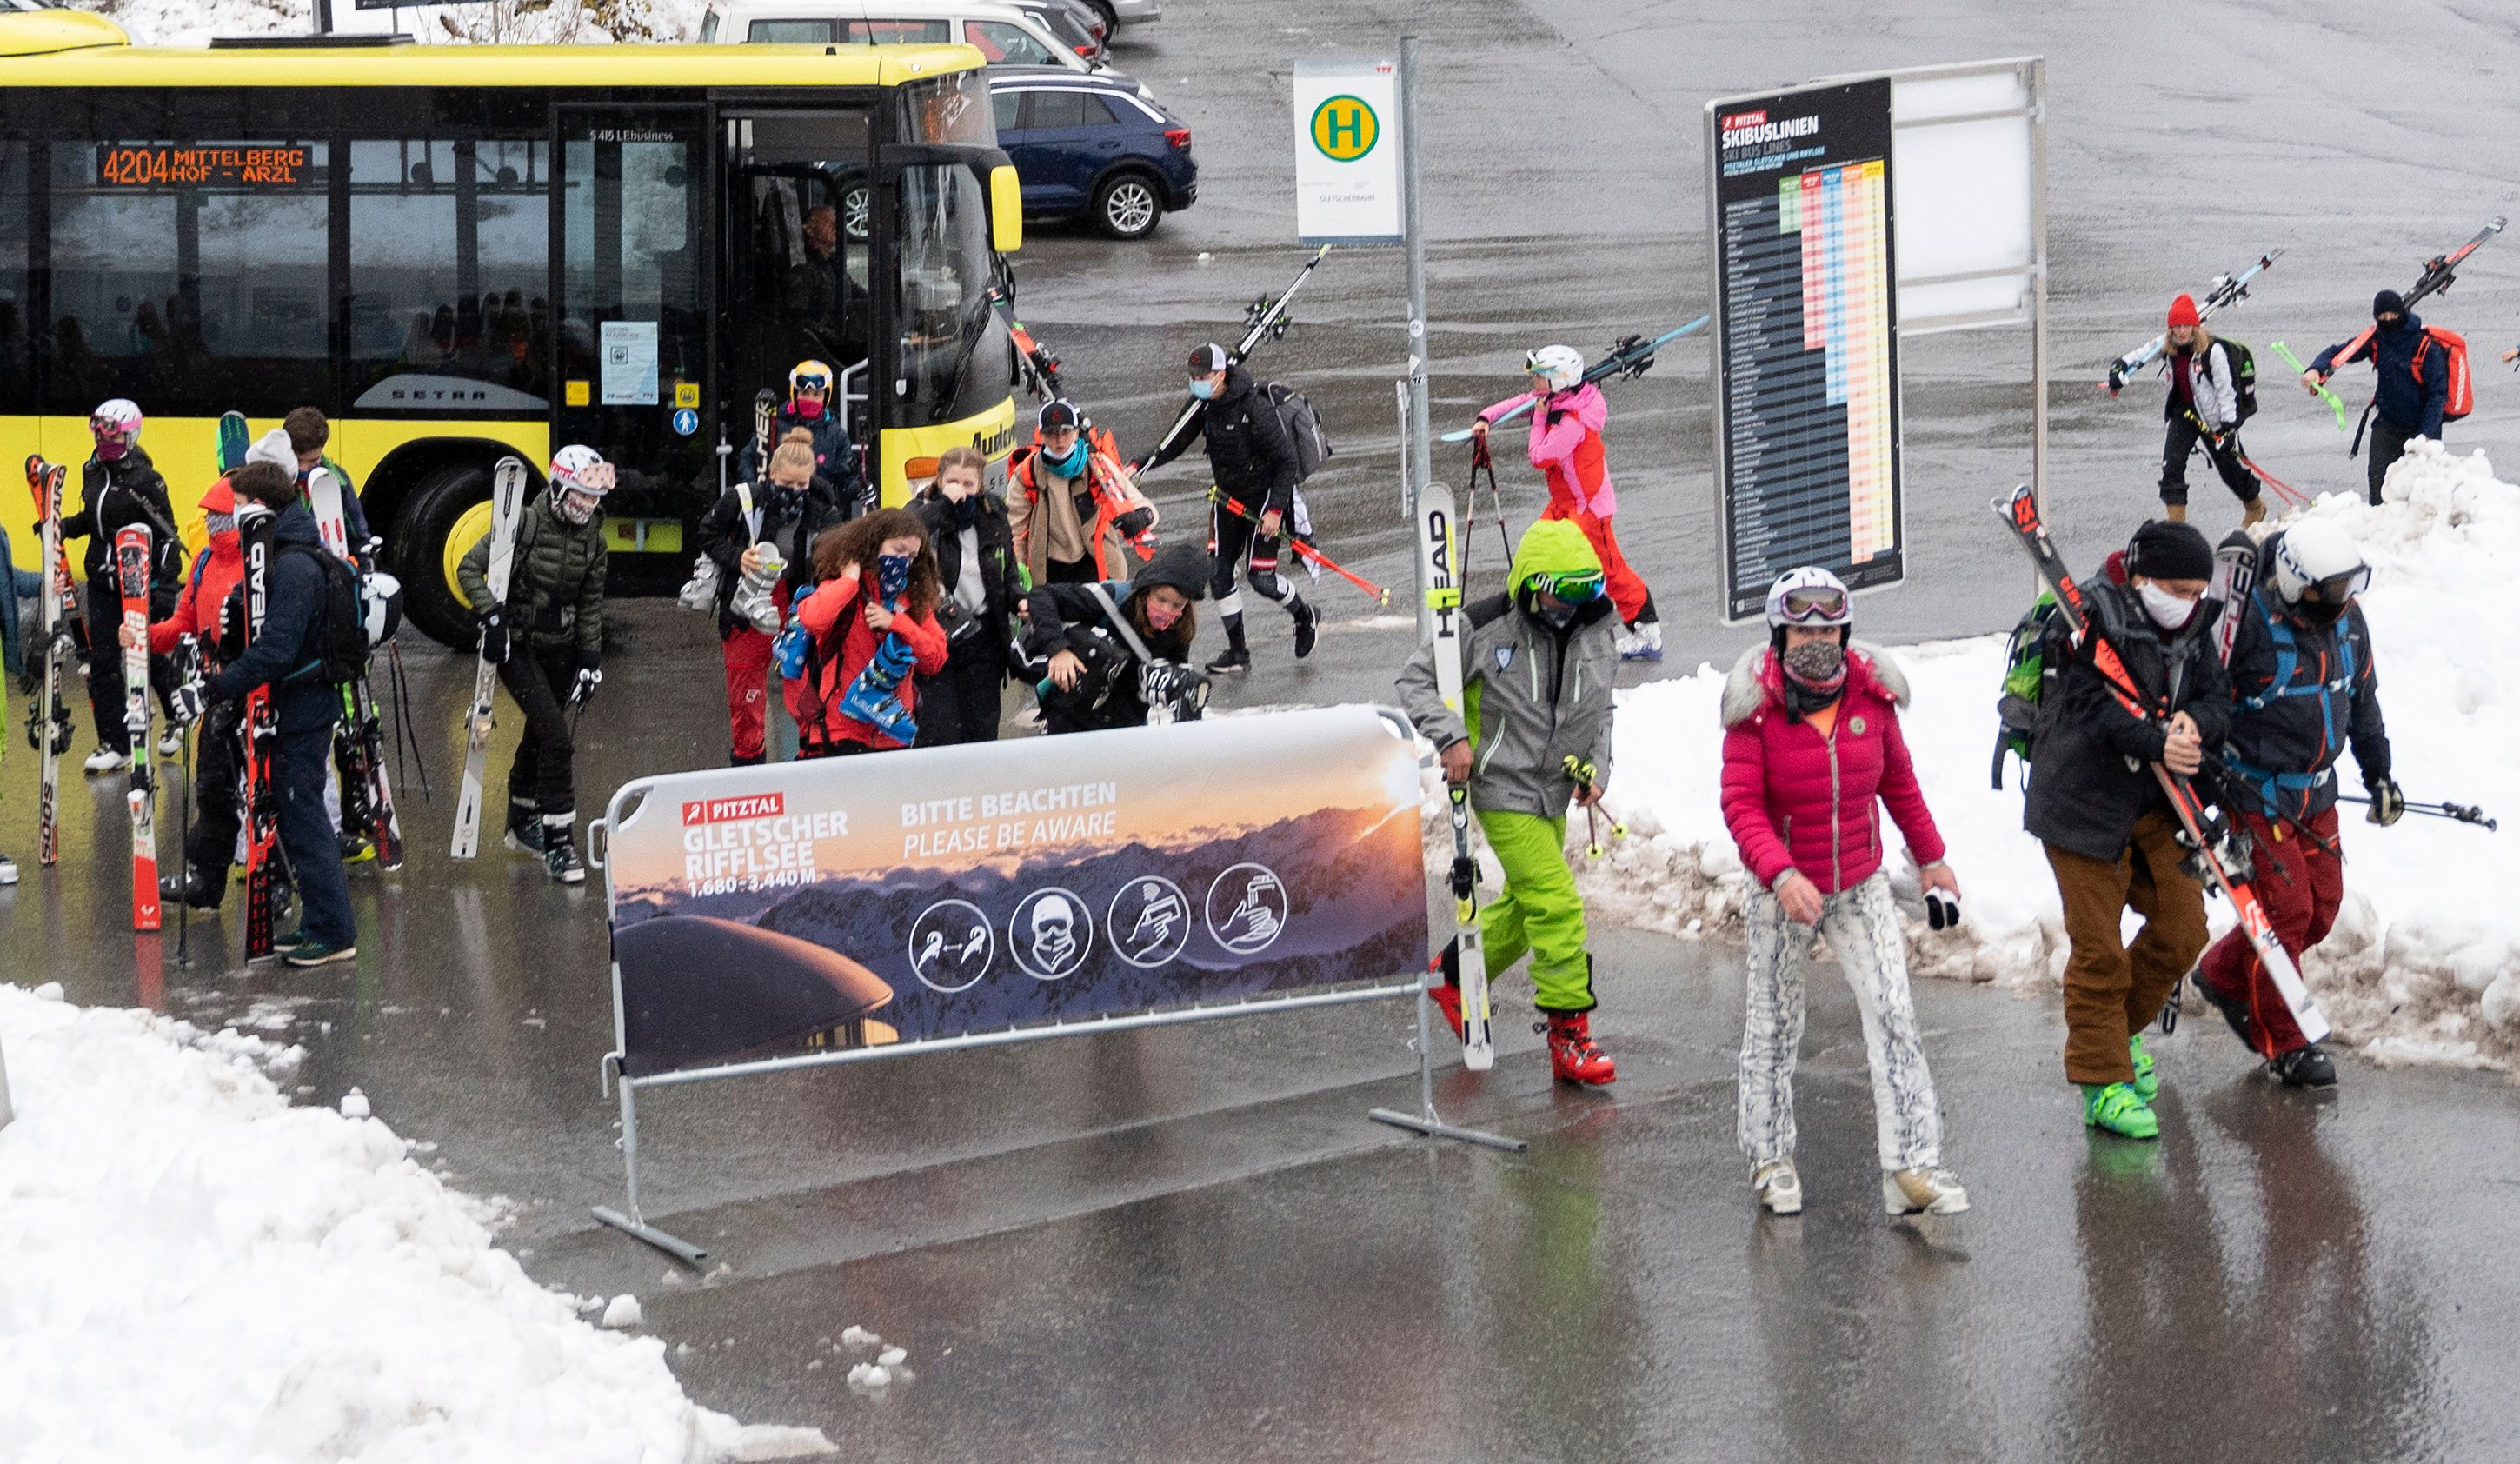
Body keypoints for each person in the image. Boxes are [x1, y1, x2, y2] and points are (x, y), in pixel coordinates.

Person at [1720, 567, 1967, 1217]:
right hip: (1783, 891)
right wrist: (1779, 873)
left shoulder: (1870, 697)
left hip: (1858, 882)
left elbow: (1900, 787)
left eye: (1826, 626)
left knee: (1893, 1012)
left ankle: (1912, 1167)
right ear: (1779, 634)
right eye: (1801, 627)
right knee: (1773, 1024)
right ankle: (1769, 1157)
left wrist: (1932, 859)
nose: (1815, 639)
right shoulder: (1755, 709)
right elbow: (1740, 805)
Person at [2025, 519, 2231, 1140]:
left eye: (2198, 591)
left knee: (2181, 930)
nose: (2188, 603)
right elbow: (2087, 709)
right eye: (2176, 588)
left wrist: (2194, 722)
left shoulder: (2194, 627)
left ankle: (2115, 1037)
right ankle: (2101, 1083)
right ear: (2141, 577)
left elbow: (2217, 697)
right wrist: (2157, 741)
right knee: (2099, 952)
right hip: (2079, 806)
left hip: (2155, 805)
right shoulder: (2085, 621)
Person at [1396, 519, 1619, 1086]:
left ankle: (1449, 976)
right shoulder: (1482, 625)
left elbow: (1601, 707)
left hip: (1552, 787)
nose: (1568, 607)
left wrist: (1595, 767)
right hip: (1499, 784)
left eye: (1581, 594)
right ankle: (1569, 1034)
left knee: (1527, 909)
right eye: (1557, 593)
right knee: (1559, 906)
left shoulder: (1597, 631)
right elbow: (1415, 680)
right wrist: (1451, 737)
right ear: (1530, 584)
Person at [2191, 519, 2394, 1088]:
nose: (2339, 602)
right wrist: (2205, 800)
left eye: (2346, 588)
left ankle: (2220, 974)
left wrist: (2379, 773)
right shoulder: (2247, 624)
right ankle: (2282, 1042)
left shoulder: (2348, 624)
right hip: (2254, 793)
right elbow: (2206, 710)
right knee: (2283, 914)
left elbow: (2362, 701)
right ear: (2293, 581)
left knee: (2322, 908)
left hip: (2315, 795)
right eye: (2327, 591)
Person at [183, 461, 356, 967]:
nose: (229, 516)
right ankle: (318, 923)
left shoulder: (296, 566)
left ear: (258, 509)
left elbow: (278, 651)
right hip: (293, 704)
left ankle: (334, 932)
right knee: (294, 814)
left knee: (305, 819)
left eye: (236, 506)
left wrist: (217, 687)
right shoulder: (281, 556)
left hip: (304, 708)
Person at [459, 445, 611, 884]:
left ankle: (520, 816)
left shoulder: (595, 540)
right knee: (556, 738)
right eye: (580, 495)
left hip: (561, 647)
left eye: (594, 498)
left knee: (541, 732)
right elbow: (470, 569)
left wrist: (589, 660)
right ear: (559, 488)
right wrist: (492, 614)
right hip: (517, 646)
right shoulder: (522, 523)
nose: (587, 506)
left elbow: (591, 604)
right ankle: (559, 841)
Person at [1133, 343, 1318, 675]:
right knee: (1218, 576)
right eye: (1193, 377)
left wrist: (1275, 510)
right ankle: (1238, 652)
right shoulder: (1200, 406)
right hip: (1227, 498)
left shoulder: (1254, 408)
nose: (1197, 382)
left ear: (1221, 375)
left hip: (1263, 501)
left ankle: (1306, 616)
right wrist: (1139, 464)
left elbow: (1286, 461)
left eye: (1203, 376)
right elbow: (1173, 443)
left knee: (1261, 579)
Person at [1473, 346, 1662, 662]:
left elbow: (1540, 456)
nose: (1534, 381)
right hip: (1563, 504)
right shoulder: (1556, 399)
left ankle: (1647, 632)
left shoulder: (1573, 420)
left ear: (1559, 380)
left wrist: (1539, 418)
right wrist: (1485, 418)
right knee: (1535, 555)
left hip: (1589, 509)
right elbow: (1521, 403)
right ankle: (1528, 623)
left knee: (1610, 571)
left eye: (1539, 376)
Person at [695, 428, 843, 764]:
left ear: (811, 480)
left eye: (801, 485)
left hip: (800, 605)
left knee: (806, 693)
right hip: (746, 605)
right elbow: (706, 533)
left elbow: (839, 561)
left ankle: (811, 759)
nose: (793, 491)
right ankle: (748, 766)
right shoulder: (742, 499)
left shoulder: (825, 512)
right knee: (746, 698)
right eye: (786, 483)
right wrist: (736, 557)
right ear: (770, 474)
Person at [60, 397, 183, 771]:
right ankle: (115, 743)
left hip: (138, 582)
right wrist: (65, 527)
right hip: (101, 580)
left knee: (148, 654)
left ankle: (176, 712)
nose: (102, 439)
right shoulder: (91, 470)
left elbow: (167, 535)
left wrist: (164, 588)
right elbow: (95, 518)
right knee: (103, 662)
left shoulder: (147, 480)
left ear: (130, 435)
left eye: (111, 432)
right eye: (97, 430)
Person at [148, 471, 249, 911]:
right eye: (208, 517)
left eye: (221, 518)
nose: (212, 526)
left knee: (267, 792)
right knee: (212, 788)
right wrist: (145, 635)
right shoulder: (205, 561)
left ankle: (279, 876)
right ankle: (204, 880)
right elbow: (183, 622)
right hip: (215, 692)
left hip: (255, 690)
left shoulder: (259, 562)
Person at [789, 508, 950, 756]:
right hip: (842, 729)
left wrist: (897, 623)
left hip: (892, 731)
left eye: (911, 556)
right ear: (875, 545)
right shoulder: (844, 588)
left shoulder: (913, 599)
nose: (904, 561)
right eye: (898, 550)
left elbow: (935, 659)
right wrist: (848, 582)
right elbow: (811, 619)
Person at [1021, 542, 1210, 734]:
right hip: (1072, 718)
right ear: (1147, 591)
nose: (1167, 610)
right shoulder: (1114, 598)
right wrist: (1059, 650)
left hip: (1127, 726)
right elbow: (1042, 596)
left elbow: (1170, 675)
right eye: (1161, 599)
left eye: (1177, 605)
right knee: (1105, 652)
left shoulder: (1180, 627)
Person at [912, 446, 1023, 745]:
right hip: (939, 633)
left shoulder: (993, 514)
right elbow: (910, 534)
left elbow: (1007, 573)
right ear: (939, 480)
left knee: (982, 729)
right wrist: (944, 504)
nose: (961, 491)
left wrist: (1020, 599)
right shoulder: (921, 511)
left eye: (968, 484)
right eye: (953, 482)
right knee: (939, 729)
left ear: (980, 485)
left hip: (983, 637)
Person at [2304, 290, 2449, 506]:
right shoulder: (2376, 340)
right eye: (2383, 317)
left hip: (2422, 429)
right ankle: (2378, 530)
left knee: (2421, 492)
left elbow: (2438, 396)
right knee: (2379, 486)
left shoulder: (2426, 347)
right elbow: (2342, 351)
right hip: (2387, 425)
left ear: (2401, 313)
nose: (2388, 320)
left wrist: (2425, 435)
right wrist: (2316, 369)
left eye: (2392, 315)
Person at [1009, 398, 1157, 588]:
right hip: (1048, 568)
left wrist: (1142, 518)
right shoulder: (1027, 472)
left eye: (1066, 431)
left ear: (1077, 432)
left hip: (1094, 562)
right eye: (1051, 433)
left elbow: (1143, 506)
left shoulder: (1098, 465)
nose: (1059, 440)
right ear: (1041, 435)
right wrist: (1016, 569)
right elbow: (1015, 530)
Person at [2153, 294, 2262, 528]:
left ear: (2195, 326)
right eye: (2176, 327)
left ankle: (2255, 507)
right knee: (2171, 467)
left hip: (2214, 418)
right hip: (2184, 414)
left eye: (2185, 326)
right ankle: (2176, 529)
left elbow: (2226, 390)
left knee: (2228, 467)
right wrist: (2120, 368)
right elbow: (2140, 355)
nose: (2181, 332)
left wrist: (2230, 428)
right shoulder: (2168, 345)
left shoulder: (2212, 351)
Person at [735, 359, 865, 516]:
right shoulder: (776, 426)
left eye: (817, 394)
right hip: (777, 511)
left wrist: (861, 488)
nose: (810, 399)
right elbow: (748, 458)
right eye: (804, 393)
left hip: (818, 513)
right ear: (794, 393)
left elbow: (845, 479)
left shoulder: (836, 435)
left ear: (826, 396)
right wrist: (753, 490)